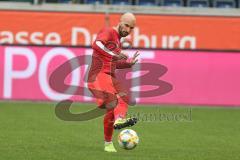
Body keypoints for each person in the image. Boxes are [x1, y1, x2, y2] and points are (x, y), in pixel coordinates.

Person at [87, 12, 139, 152]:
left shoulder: (117, 40)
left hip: (109, 75)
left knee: (122, 98)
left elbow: (112, 63)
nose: (128, 30)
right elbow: (96, 44)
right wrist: (115, 54)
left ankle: (109, 142)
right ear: (120, 22)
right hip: (98, 75)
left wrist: (129, 64)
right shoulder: (109, 31)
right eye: (126, 25)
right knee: (112, 101)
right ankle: (117, 117)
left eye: (131, 28)